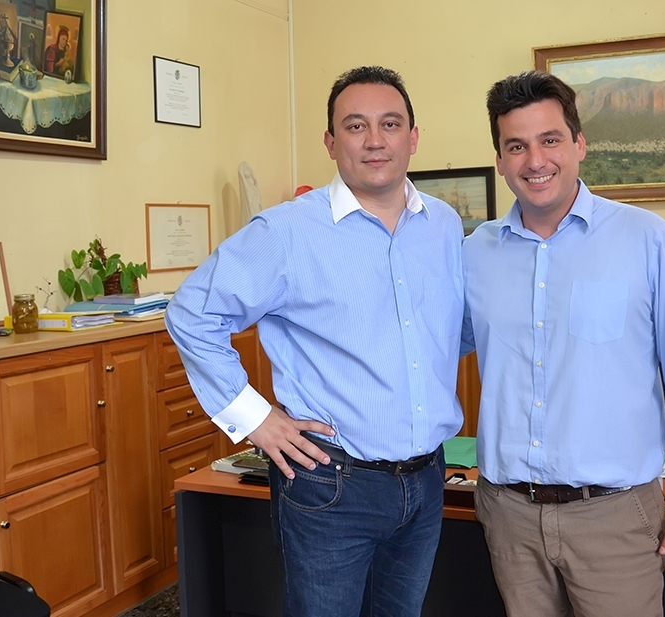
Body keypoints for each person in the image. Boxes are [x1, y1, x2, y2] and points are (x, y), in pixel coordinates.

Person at [165, 65, 465, 617]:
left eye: (390, 124)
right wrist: (255, 419)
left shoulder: (443, 224)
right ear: (330, 142)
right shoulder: (285, 232)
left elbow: (445, 334)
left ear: (413, 138)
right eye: (355, 126)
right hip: (331, 484)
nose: (374, 140)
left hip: (426, 480)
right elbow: (191, 314)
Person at [461, 71, 665, 617]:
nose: (535, 160)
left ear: (579, 144)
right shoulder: (475, 253)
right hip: (508, 515)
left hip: (614, 515)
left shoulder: (646, 239)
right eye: (516, 146)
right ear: (500, 160)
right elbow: (424, 350)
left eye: (550, 139)